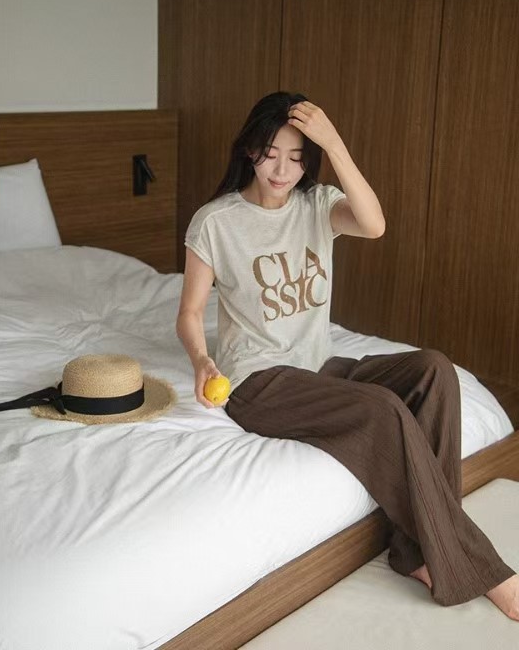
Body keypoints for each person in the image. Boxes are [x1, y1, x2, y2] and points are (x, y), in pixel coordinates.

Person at [176, 90, 518, 619]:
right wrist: (202, 360)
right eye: (271, 154)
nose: (282, 170)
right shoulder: (215, 222)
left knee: (434, 369)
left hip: (320, 367)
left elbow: (374, 225)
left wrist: (334, 143)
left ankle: (416, 552)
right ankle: (481, 568)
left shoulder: (317, 204)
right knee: (383, 409)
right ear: (249, 150)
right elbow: (191, 312)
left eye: (297, 157)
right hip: (258, 382)